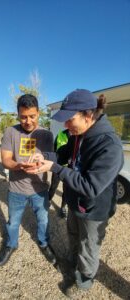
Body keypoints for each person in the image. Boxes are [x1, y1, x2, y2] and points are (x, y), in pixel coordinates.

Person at [25, 89, 124, 292]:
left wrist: (54, 168)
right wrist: (44, 157)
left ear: (88, 115)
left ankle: (84, 278)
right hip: (74, 201)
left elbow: (91, 186)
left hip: (94, 210)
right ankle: (72, 261)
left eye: (69, 119)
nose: (65, 125)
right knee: (72, 234)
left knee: (89, 246)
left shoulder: (109, 145)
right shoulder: (78, 135)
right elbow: (62, 157)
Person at [0, 94, 56, 266]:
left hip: (40, 189)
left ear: (38, 113)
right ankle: (11, 244)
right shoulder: (10, 132)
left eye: (32, 116)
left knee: (44, 220)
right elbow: (6, 160)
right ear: (18, 114)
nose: (28, 121)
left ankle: (44, 243)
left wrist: (41, 162)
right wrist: (18, 165)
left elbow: (50, 158)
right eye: (23, 117)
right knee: (13, 221)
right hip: (16, 189)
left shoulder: (46, 135)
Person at [49, 129, 70, 218]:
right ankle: (48, 200)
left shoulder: (79, 135)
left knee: (66, 190)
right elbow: (54, 150)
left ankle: (63, 207)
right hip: (58, 167)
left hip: (70, 170)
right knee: (53, 186)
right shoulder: (61, 134)